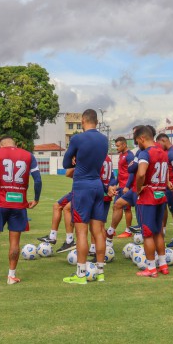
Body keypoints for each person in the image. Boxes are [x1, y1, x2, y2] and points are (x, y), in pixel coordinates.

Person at [0, 135, 41, 284]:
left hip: (0, 202)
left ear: (0, 145)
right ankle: (11, 276)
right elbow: (37, 180)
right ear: (15, 144)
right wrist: (36, 198)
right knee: (15, 241)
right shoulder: (28, 155)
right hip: (19, 204)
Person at [61, 109, 109, 284]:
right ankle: (100, 272)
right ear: (96, 121)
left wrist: (75, 159)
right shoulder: (104, 139)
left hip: (82, 186)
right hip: (98, 185)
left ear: (82, 121)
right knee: (98, 231)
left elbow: (66, 163)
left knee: (81, 231)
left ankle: (81, 274)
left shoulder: (77, 139)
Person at [134, 126, 170, 278]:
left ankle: (151, 268)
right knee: (158, 232)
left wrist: (138, 188)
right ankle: (163, 265)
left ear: (142, 138)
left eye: (137, 142)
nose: (138, 145)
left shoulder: (145, 153)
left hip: (148, 198)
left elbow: (141, 172)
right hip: (160, 195)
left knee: (147, 234)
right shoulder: (163, 152)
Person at [107, 136, 135, 240]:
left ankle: (128, 231)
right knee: (115, 206)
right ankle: (112, 229)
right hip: (121, 186)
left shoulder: (130, 156)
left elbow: (132, 173)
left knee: (126, 209)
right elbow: (120, 173)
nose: (116, 148)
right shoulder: (121, 155)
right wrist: (115, 184)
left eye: (118, 146)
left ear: (124, 144)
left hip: (126, 187)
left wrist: (127, 186)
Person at [36, 186, 75, 252]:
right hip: (83, 189)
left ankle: (68, 240)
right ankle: (93, 249)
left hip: (80, 190)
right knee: (58, 206)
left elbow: (69, 175)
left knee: (63, 208)